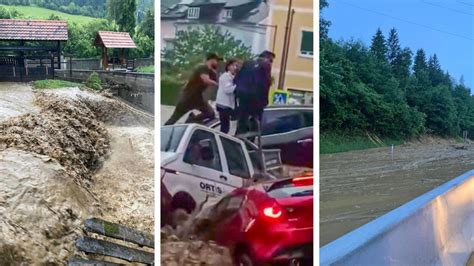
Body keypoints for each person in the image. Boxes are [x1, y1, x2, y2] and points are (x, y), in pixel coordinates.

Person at [164, 53, 222, 125]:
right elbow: (205, 80)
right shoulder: (202, 67)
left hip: (197, 98)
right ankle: (163, 131)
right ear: (211, 59)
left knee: (210, 114)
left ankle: (191, 119)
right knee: (173, 119)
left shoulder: (211, 72)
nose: (218, 63)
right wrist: (219, 84)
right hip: (188, 98)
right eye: (217, 60)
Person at [234, 50, 275, 137]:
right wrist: (265, 102)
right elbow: (264, 85)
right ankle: (250, 144)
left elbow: (236, 79)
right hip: (255, 99)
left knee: (242, 121)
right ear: (268, 59)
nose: (271, 63)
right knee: (255, 124)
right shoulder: (266, 65)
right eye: (271, 61)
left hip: (242, 97)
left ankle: (238, 140)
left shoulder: (247, 63)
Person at [215, 59, 239, 134]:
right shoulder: (225, 76)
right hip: (223, 104)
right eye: (234, 65)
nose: (235, 68)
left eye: (236, 66)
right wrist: (238, 85)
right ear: (228, 67)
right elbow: (228, 90)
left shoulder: (232, 76)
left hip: (228, 105)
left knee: (226, 125)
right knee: (225, 127)